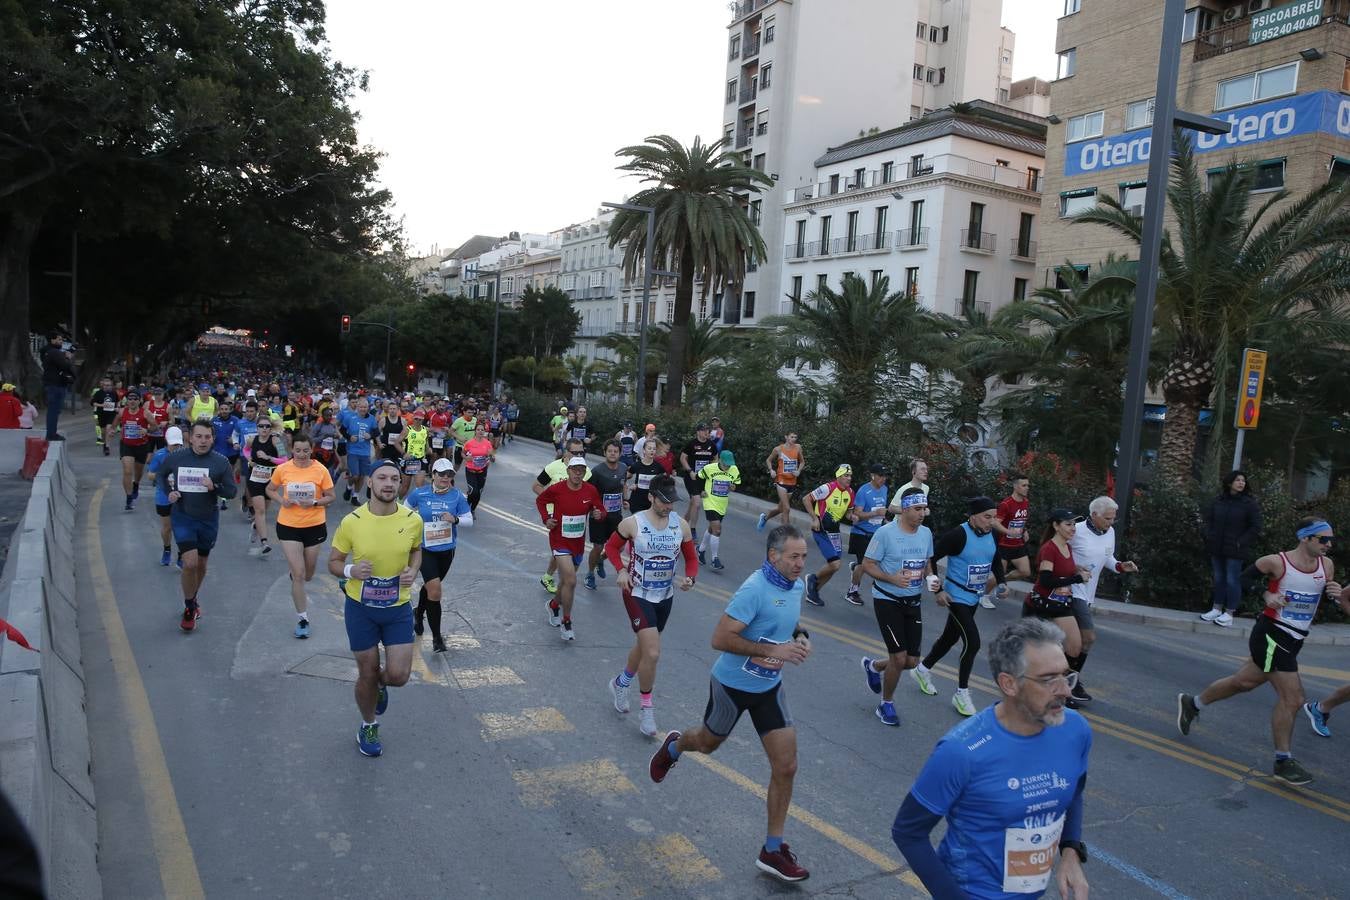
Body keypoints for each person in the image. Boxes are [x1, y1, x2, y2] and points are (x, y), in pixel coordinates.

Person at [647, 525, 813, 884]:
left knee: (786, 766)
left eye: (804, 556)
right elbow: (720, 638)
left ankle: (772, 848)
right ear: (774, 556)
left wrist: (800, 637)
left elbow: (790, 621)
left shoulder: (795, 584)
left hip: (769, 686)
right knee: (707, 743)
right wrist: (773, 650)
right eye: (794, 556)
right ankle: (675, 746)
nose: (801, 563)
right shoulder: (754, 589)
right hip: (732, 685)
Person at [892, 618, 1091, 900]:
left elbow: (1075, 791)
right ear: (1009, 684)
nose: (1066, 691)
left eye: (1066, 676)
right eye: (1049, 680)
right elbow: (908, 833)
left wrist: (1071, 853)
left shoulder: (1075, 730)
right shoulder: (960, 752)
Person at [1177, 517, 1342, 786]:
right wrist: (1267, 596)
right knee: (1293, 698)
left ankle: (1192, 704)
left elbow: (1321, 597)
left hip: (1295, 638)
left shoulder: (1327, 566)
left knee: (1243, 682)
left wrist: (1332, 593)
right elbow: (1240, 580)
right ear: (1305, 538)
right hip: (1271, 633)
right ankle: (1282, 761)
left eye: (1331, 540)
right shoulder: (1276, 562)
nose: (1329, 544)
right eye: (1323, 539)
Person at [327, 460, 423, 757]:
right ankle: (368, 723)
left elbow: (416, 551)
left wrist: (413, 570)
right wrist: (350, 572)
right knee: (366, 671)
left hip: (397, 608)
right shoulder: (352, 521)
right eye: (382, 478)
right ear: (369, 482)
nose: (389, 484)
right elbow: (333, 562)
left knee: (398, 675)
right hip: (361, 608)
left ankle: (381, 685)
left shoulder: (412, 520)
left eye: (395, 478)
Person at [603, 475, 698, 736]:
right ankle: (647, 711)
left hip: (665, 596)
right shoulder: (633, 523)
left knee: (645, 646)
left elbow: (691, 559)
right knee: (653, 653)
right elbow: (611, 548)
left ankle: (621, 683)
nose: (669, 507)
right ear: (651, 497)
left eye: (672, 502)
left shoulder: (681, 526)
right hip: (637, 593)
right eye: (664, 502)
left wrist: (690, 577)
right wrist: (621, 570)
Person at [912, 496, 1004, 717]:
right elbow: (930, 560)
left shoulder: (989, 533)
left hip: (974, 597)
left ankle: (922, 670)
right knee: (972, 643)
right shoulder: (958, 535)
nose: (991, 521)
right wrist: (938, 589)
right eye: (986, 517)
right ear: (973, 516)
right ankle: (961, 693)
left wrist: (1002, 581)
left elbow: (995, 558)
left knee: (950, 637)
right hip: (956, 597)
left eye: (993, 516)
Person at [859, 487, 937, 726]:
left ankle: (873, 666)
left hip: (913, 601)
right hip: (887, 599)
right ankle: (886, 704)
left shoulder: (926, 534)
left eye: (924, 508)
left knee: (912, 661)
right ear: (904, 509)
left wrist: (931, 578)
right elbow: (867, 565)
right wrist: (892, 579)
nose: (922, 513)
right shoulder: (885, 533)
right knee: (899, 657)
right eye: (917, 508)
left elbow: (926, 563)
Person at [162, 420, 238, 630]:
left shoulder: (220, 462)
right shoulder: (177, 457)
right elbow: (161, 475)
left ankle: (193, 599)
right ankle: (188, 607)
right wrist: (170, 492)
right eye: (199, 436)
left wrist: (214, 486)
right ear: (190, 438)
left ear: (213, 438)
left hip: (208, 519)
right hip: (183, 517)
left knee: (202, 564)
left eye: (207, 437)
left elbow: (231, 492)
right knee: (190, 563)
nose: (203, 441)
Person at [1068, 496, 1139, 705]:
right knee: (1087, 638)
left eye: (1113, 519)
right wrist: (1072, 569)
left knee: (1073, 642)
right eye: (1108, 518)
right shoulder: (1076, 530)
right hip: (1072, 591)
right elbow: (1057, 553)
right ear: (1094, 515)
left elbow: (1107, 557)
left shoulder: (1110, 533)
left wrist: (1119, 566)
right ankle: (1069, 683)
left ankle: (1064, 680)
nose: (1111, 522)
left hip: (1089, 594)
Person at [1022, 509, 1093, 708]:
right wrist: (1077, 578)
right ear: (1056, 526)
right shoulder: (1049, 549)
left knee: (1075, 647)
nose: (1073, 528)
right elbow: (1045, 580)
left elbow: (1064, 571)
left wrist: (1077, 570)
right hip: (1042, 604)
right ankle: (1052, 688)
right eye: (1068, 524)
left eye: (1074, 524)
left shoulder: (1067, 548)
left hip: (1061, 603)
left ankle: (1063, 685)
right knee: (1035, 651)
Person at [267, 432, 335, 638]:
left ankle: (298, 575)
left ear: (311, 449)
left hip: (314, 525)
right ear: (292, 450)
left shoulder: (320, 470)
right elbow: (270, 489)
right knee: (298, 574)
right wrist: (282, 500)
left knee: (308, 574)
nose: (302, 454)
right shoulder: (283, 469)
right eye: (298, 450)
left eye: (306, 450)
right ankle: (303, 619)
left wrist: (314, 502)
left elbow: (330, 497)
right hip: (288, 525)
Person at [405, 457, 472, 654]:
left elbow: (469, 520)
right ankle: (436, 638)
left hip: (447, 550)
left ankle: (418, 613)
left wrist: (456, 519)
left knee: (430, 587)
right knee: (435, 591)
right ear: (432, 475)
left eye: (449, 474)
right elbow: (404, 510)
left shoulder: (457, 496)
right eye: (441, 474)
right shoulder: (420, 493)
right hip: (425, 549)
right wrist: (415, 521)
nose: (445, 478)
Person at [535, 457, 605, 640]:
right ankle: (567, 622)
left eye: (581, 470)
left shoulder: (590, 490)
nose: (577, 473)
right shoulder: (557, 489)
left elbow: (600, 509)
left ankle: (554, 605)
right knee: (572, 581)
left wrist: (599, 514)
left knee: (566, 582)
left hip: (578, 543)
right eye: (574, 469)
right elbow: (541, 501)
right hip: (559, 541)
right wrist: (546, 519)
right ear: (568, 471)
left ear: (584, 472)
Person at [1200, 470, 1263, 627]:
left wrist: (1241, 541)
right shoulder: (1218, 501)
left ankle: (1229, 613)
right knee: (1219, 578)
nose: (1241, 483)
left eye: (1243, 480)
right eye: (1237, 480)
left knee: (1232, 580)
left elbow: (1256, 526)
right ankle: (1216, 608)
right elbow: (1208, 520)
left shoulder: (1249, 504)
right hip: (1216, 546)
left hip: (1236, 549)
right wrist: (1209, 535)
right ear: (1229, 483)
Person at [532, 437, 591, 594]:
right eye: (575, 453)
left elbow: (591, 494)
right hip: (556, 516)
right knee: (562, 550)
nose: (579, 456)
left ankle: (551, 577)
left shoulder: (587, 471)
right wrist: (551, 500)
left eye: (581, 453)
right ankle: (553, 579)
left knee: (568, 552)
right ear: (566, 452)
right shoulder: (553, 467)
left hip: (577, 518)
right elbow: (536, 486)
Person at [802, 464, 856, 606]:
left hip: (834, 531)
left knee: (833, 567)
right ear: (838, 476)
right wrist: (814, 518)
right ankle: (812, 579)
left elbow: (848, 513)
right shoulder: (828, 488)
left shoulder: (850, 492)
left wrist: (852, 517)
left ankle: (813, 592)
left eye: (850, 476)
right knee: (835, 564)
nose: (849, 478)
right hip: (821, 529)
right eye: (846, 475)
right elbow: (806, 499)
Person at [584, 440, 629, 591]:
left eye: (615, 451)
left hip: (615, 515)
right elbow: (588, 492)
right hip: (599, 516)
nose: (612, 454)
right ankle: (590, 574)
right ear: (604, 453)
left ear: (620, 453)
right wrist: (591, 511)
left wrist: (625, 500)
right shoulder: (597, 471)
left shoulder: (623, 468)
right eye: (609, 451)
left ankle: (601, 560)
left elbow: (623, 485)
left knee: (620, 546)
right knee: (598, 547)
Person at [845, 463, 889, 605]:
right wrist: (875, 513)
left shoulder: (884, 490)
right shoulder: (864, 491)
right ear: (873, 476)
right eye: (881, 476)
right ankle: (852, 592)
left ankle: (856, 568)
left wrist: (885, 520)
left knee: (878, 562)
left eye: (885, 476)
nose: (883, 479)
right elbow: (858, 513)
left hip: (877, 534)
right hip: (861, 533)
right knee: (864, 565)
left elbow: (882, 512)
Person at [244, 419, 287, 557]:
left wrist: (268, 457)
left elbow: (285, 460)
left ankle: (256, 526)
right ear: (257, 427)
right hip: (254, 477)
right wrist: (249, 460)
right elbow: (245, 450)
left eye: (267, 426)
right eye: (261, 426)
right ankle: (264, 543)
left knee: (264, 510)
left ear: (271, 428)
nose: (264, 428)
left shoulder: (276, 441)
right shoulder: (252, 440)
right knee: (260, 510)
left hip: (270, 479)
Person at [991, 474, 1033, 608]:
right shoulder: (1006, 504)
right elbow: (995, 523)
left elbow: (1020, 521)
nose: (1027, 488)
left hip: (1018, 544)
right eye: (1024, 485)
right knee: (998, 574)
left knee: (1025, 572)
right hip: (1003, 545)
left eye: (1028, 485)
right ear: (1015, 486)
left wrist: (1024, 530)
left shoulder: (1026, 502)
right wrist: (1009, 532)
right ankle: (984, 596)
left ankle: (1003, 580)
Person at [696, 449, 741, 571]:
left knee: (712, 528)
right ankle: (714, 559)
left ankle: (700, 551)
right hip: (709, 501)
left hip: (722, 503)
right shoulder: (709, 468)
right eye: (725, 464)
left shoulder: (734, 470)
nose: (727, 467)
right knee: (717, 529)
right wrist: (700, 490)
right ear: (720, 460)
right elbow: (699, 477)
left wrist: (733, 487)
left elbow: (735, 485)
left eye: (729, 464)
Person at [147, 427, 185, 566]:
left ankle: (181, 555)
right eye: (173, 444)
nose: (175, 447)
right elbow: (150, 475)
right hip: (163, 496)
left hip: (182, 496)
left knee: (181, 527)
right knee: (167, 527)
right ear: (167, 441)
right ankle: (167, 549)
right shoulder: (159, 455)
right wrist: (162, 476)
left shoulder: (186, 455)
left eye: (178, 444)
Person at [111, 390, 152, 511]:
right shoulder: (122, 411)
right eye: (130, 399)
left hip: (141, 446)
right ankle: (129, 497)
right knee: (128, 471)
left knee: (138, 473)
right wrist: (113, 429)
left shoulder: (146, 413)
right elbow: (116, 421)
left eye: (135, 399)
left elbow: (155, 426)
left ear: (139, 401)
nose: (132, 401)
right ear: (127, 401)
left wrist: (147, 431)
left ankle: (136, 484)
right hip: (126, 445)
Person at [679, 424, 719, 544]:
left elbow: (716, 458)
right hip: (692, 477)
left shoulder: (711, 445)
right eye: (704, 430)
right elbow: (682, 458)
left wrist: (711, 471)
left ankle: (682, 525)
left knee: (692, 504)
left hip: (704, 479)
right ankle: (692, 530)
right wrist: (690, 471)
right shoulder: (692, 444)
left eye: (708, 430)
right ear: (698, 432)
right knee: (697, 503)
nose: (707, 432)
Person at [758, 431, 804, 532]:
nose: (794, 439)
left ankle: (764, 518)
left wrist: (798, 471)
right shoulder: (778, 449)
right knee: (786, 508)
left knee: (780, 508)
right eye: (792, 437)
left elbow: (802, 462)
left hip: (792, 482)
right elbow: (768, 460)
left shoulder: (798, 448)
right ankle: (785, 534)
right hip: (781, 481)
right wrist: (771, 470)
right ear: (786, 437)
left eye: (795, 437)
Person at [339, 397, 378, 505]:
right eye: (361, 407)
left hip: (365, 452)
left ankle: (355, 496)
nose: (363, 409)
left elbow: (376, 432)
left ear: (368, 408)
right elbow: (342, 430)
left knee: (362, 475)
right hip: (352, 450)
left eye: (365, 407)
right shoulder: (350, 418)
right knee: (355, 475)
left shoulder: (372, 419)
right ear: (357, 407)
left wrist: (370, 435)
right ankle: (349, 487)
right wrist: (349, 437)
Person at [40, 331, 75, 441]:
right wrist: (68, 357)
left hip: (52, 384)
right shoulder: (54, 352)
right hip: (56, 385)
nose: (61, 342)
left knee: (54, 410)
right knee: (54, 411)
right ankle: (51, 434)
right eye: (59, 339)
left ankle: (51, 433)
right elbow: (64, 366)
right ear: (52, 340)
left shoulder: (46, 352)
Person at [460, 421, 496, 512]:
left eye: (482, 430)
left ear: (484, 431)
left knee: (478, 493)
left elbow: (492, 457)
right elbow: (462, 453)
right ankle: (467, 507)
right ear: (475, 431)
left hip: (482, 471)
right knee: (473, 492)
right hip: (470, 470)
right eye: (478, 429)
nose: (480, 431)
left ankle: (472, 510)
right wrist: (466, 458)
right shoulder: (469, 443)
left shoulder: (487, 443)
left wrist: (491, 457)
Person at [626, 439, 666, 515]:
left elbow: (664, 482)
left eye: (654, 449)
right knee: (638, 524)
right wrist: (629, 487)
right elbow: (625, 477)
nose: (652, 451)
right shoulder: (636, 465)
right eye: (649, 448)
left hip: (651, 502)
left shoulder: (658, 467)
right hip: (637, 501)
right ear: (644, 450)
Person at [400, 409, 430, 499]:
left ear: (423, 420)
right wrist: (404, 453)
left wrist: (428, 450)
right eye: (416, 419)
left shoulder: (425, 430)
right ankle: (399, 500)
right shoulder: (407, 430)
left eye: (420, 419)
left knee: (420, 487)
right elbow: (396, 442)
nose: (418, 421)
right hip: (409, 461)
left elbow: (426, 442)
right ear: (413, 419)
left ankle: (419, 507)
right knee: (405, 487)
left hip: (420, 460)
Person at [90, 377, 119, 453]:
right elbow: (93, 403)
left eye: (109, 385)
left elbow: (117, 402)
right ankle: (104, 443)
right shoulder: (98, 393)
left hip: (111, 414)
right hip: (101, 414)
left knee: (108, 429)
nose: (107, 386)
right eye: (105, 385)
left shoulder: (114, 393)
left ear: (111, 386)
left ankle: (107, 446)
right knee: (103, 432)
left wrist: (117, 408)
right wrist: (102, 405)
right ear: (103, 385)